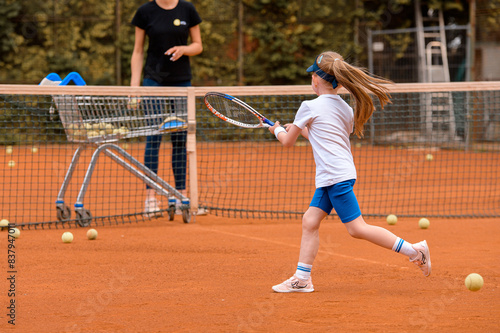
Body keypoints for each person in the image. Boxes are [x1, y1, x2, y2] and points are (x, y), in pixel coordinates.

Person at [268, 51, 431, 293]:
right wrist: (298, 128)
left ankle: (414, 250)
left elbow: (287, 142)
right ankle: (302, 278)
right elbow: (323, 136)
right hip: (337, 174)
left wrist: (277, 130)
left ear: (316, 80)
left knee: (357, 229)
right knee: (310, 221)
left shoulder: (308, 106)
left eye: (312, 74)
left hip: (334, 176)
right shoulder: (346, 109)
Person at [130, 0, 203, 217]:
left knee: (180, 138)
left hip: (182, 83)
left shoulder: (187, 9)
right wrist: (135, 88)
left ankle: (181, 196)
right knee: (154, 136)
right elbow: (137, 51)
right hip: (153, 82)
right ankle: (150, 198)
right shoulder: (144, 12)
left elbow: (198, 45)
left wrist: (184, 49)